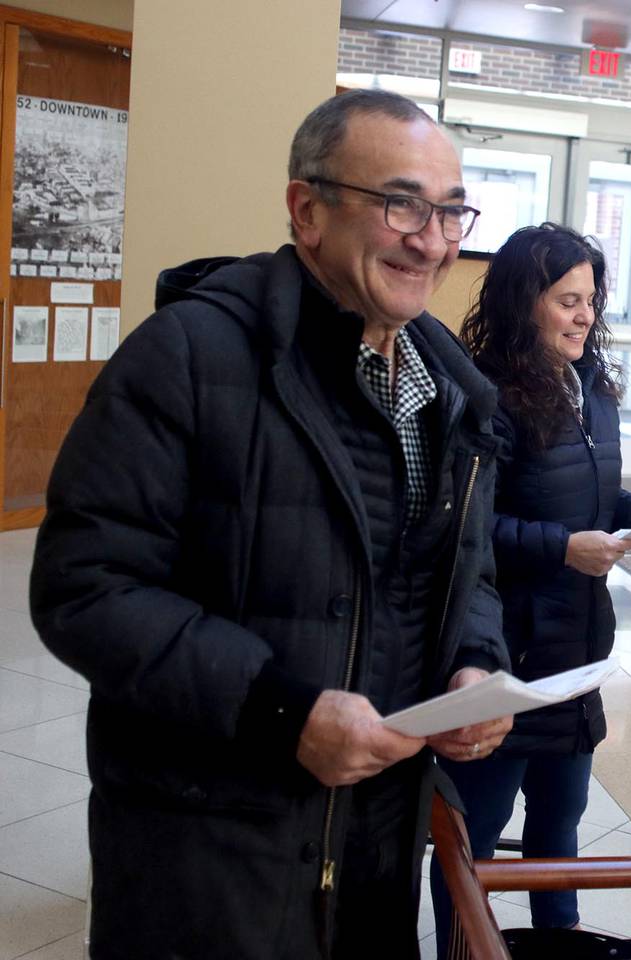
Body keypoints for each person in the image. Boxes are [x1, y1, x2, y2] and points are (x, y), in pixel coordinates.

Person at [29, 89, 514, 959]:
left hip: (379, 831)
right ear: (307, 209)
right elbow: (84, 589)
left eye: (449, 211)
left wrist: (478, 662)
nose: (433, 240)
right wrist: (283, 711)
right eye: (402, 203)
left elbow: (464, 569)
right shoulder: (186, 357)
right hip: (212, 848)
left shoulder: (452, 392)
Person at [430, 223, 631, 955]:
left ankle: (557, 944)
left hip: (576, 647)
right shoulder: (483, 396)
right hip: (503, 649)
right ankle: (461, 949)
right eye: (568, 300)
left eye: (591, 301)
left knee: (560, 819)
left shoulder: (592, 389)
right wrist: (563, 549)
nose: (584, 316)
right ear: (522, 302)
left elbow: (591, 491)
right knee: (473, 830)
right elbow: (466, 527)